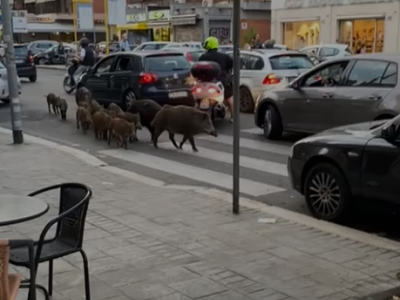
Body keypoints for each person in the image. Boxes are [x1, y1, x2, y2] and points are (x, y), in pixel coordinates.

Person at [199, 36, 234, 123]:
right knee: (229, 98)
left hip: (206, 82)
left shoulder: (203, 57)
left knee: (198, 96)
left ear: (209, 44)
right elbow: (231, 65)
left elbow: (198, 68)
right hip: (221, 81)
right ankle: (234, 116)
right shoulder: (224, 56)